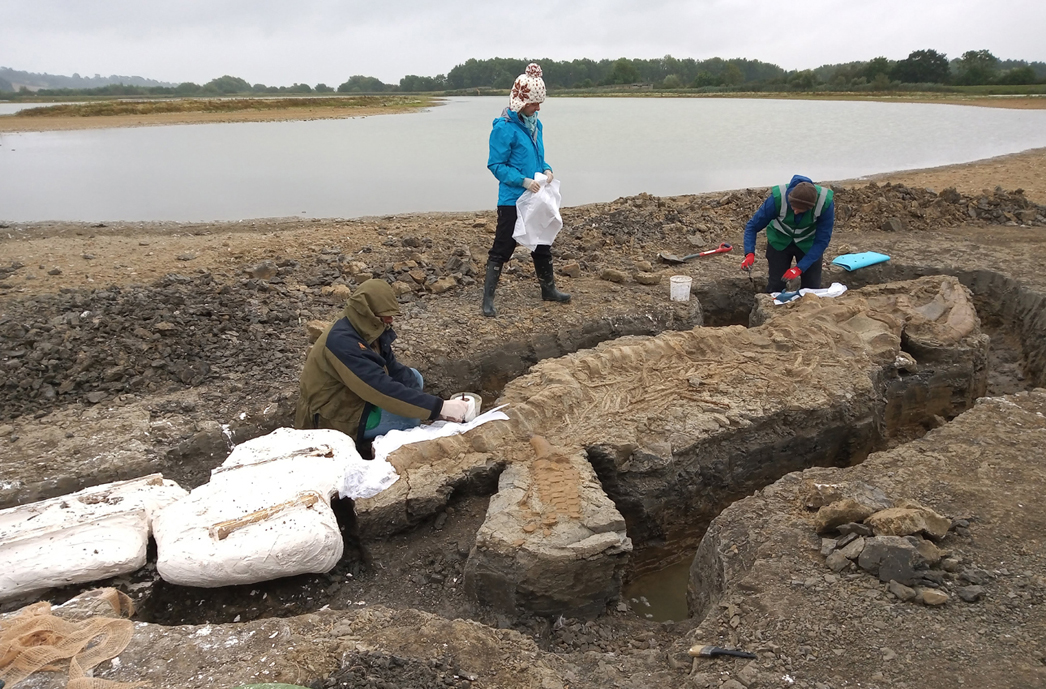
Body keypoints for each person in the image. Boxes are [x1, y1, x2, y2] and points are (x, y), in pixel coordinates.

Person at [294, 279, 470, 447]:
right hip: (333, 412)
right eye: (385, 316)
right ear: (367, 312)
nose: (390, 320)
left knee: (414, 378)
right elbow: (379, 389)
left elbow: (391, 367)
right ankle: (371, 446)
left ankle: (409, 414)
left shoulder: (367, 328)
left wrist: (425, 404)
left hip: (351, 394)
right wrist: (440, 407)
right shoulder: (342, 343)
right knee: (408, 421)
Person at [482, 62, 571, 318]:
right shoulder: (503, 128)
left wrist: (547, 169)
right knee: (502, 247)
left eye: (540, 103)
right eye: (534, 104)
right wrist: (522, 181)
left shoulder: (536, 125)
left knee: (542, 243)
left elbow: (537, 158)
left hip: (536, 196)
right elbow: (496, 165)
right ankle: (487, 300)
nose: (538, 108)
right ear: (520, 103)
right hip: (513, 198)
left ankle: (549, 290)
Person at [740, 175, 835, 293]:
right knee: (776, 285)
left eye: (800, 210)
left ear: (811, 206)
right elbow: (752, 226)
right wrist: (749, 253)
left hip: (808, 243)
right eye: (793, 207)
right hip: (779, 240)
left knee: (812, 287)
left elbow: (822, 240)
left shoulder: (825, 203)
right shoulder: (777, 198)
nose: (795, 212)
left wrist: (799, 268)